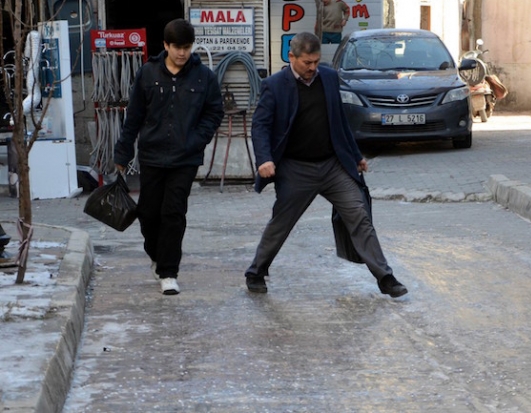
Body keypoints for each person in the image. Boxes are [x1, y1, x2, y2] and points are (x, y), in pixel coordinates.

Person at [245, 32, 408, 298]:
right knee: (281, 223)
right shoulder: (274, 85)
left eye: (316, 61)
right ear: (292, 57)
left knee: (359, 214)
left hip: (333, 166)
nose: (313, 68)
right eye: (307, 62)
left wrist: (355, 156)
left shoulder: (329, 78)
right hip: (296, 169)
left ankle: (386, 278)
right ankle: (256, 272)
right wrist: (264, 159)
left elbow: (339, 121)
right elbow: (260, 125)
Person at [114, 18, 224, 295]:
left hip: (185, 158)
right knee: (148, 213)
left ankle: (169, 272)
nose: (182, 53)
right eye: (177, 47)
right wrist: (123, 151)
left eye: (187, 47)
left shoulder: (204, 77)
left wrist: (197, 139)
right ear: (166, 45)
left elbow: (214, 112)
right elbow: (134, 115)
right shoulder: (148, 73)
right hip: (152, 155)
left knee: (173, 213)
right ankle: (156, 255)